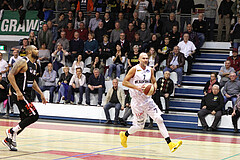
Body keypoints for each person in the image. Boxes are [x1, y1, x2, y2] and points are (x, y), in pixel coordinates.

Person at [119, 52, 182, 152]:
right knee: (139, 126)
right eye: (143, 58)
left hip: (148, 101)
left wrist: (153, 88)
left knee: (159, 120)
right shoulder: (134, 69)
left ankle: (170, 143)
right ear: (139, 59)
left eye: (147, 58)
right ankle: (125, 134)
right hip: (137, 102)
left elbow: (154, 82)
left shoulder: (150, 70)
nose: (145, 60)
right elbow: (124, 82)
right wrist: (137, 87)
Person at [3, 45, 47, 151]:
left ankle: (9, 140)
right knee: (34, 115)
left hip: (26, 94)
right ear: (29, 51)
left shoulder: (35, 65)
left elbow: (33, 82)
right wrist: (18, 91)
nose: (37, 51)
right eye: (35, 49)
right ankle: (11, 132)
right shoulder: (23, 61)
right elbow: (10, 75)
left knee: (24, 120)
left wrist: (41, 93)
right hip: (18, 93)